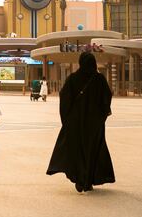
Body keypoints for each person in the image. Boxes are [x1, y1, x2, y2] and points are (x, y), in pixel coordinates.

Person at [47, 52, 115, 193]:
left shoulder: (73, 78)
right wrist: (101, 116)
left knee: (77, 150)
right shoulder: (99, 79)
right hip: (94, 124)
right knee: (92, 150)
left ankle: (79, 178)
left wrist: (66, 120)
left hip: (75, 123)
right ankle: (88, 180)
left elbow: (64, 98)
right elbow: (107, 97)